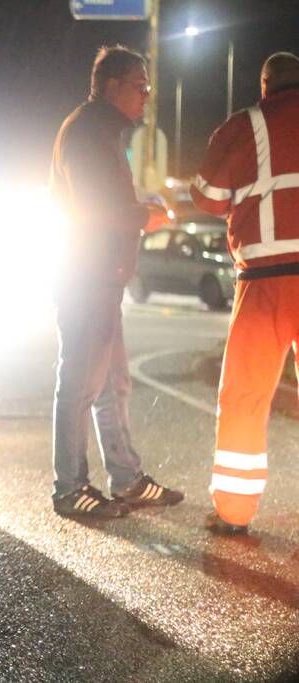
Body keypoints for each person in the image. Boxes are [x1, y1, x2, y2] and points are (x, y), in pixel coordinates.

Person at [48, 45, 184, 518]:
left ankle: (125, 479)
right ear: (112, 86)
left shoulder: (102, 131)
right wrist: (146, 216)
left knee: (112, 385)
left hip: (102, 277)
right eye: (140, 86)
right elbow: (94, 208)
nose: (147, 95)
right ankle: (69, 488)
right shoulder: (88, 131)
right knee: (82, 383)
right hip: (85, 276)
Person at [191, 52, 299, 535]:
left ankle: (234, 511)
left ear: (264, 86)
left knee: (245, 397)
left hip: (260, 283)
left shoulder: (243, 126)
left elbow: (207, 196)